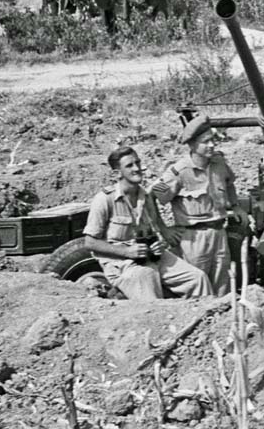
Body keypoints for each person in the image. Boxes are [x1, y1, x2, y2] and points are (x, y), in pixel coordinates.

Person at [83, 146, 212, 300]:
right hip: (122, 264)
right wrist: (127, 251)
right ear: (117, 173)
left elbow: (155, 231)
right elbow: (90, 242)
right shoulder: (105, 199)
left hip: (152, 257)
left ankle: (205, 320)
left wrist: (159, 245)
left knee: (198, 278)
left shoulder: (147, 197)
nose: (137, 168)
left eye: (138, 162)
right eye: (130, 165)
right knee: (146, 277)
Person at [152, 114, 249, 296]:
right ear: (192, 145)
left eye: (213, 140)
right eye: (205, 142)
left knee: (223, 288)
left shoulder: (219, 163)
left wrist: (235, 206)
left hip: (219, 233)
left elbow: (229, 183)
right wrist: (164, 229)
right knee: (198, 290)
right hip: (193, 238)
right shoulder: (180, 171)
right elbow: (150, 197)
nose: (211, 145)